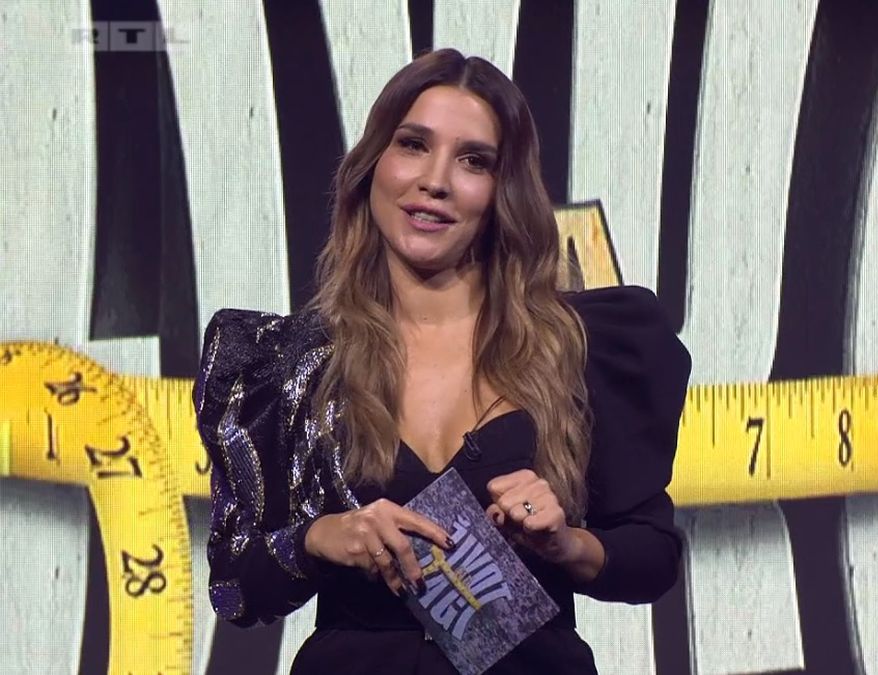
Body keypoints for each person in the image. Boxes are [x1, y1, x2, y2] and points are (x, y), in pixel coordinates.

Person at [192, 48, 691, 674]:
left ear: (503, 191)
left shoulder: (583, 347)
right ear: (372, 166)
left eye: (473, 160)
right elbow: (234, 586)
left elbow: (651, 559)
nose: (436, 180)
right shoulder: (288, 363)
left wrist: (566, 544)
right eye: (413, 145)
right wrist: (321, 538)